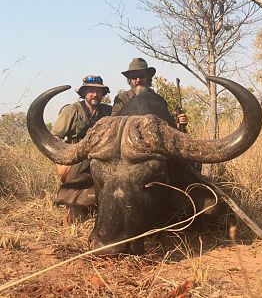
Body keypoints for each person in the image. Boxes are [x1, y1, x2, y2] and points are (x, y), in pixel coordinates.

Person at [51, 75, 112, 223]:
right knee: (74, 181)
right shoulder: (72, 110)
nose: (95, 94)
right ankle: (71, 208)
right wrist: (64, 159)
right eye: (90, 90)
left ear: (103, 94)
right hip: (77, 155)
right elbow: (55, 137)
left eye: (98, 91)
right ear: (84, 93)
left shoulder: (109, 111)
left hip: (102, 155)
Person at [112, 58, 188, 130]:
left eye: (141, 76)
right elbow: (113, 125)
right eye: (134, 77)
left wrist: (179, 124)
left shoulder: (160, 101)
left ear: (148, 78)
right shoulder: (122, 99)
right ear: (129, 80)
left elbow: (169, 126)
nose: (138, 80)